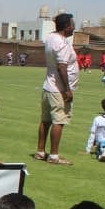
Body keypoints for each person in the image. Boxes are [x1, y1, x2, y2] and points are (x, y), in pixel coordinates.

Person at [34, 13, 77, 165]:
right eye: (72, 24)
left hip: (48, 85)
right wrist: (67, 89)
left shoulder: (51, 38)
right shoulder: (63, 43)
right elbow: (62, 67)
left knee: (45, 120)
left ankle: (40, 151)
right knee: (58, 121)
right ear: (66, 27)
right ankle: (53, 156)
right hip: (58, 89)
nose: (74, 27)